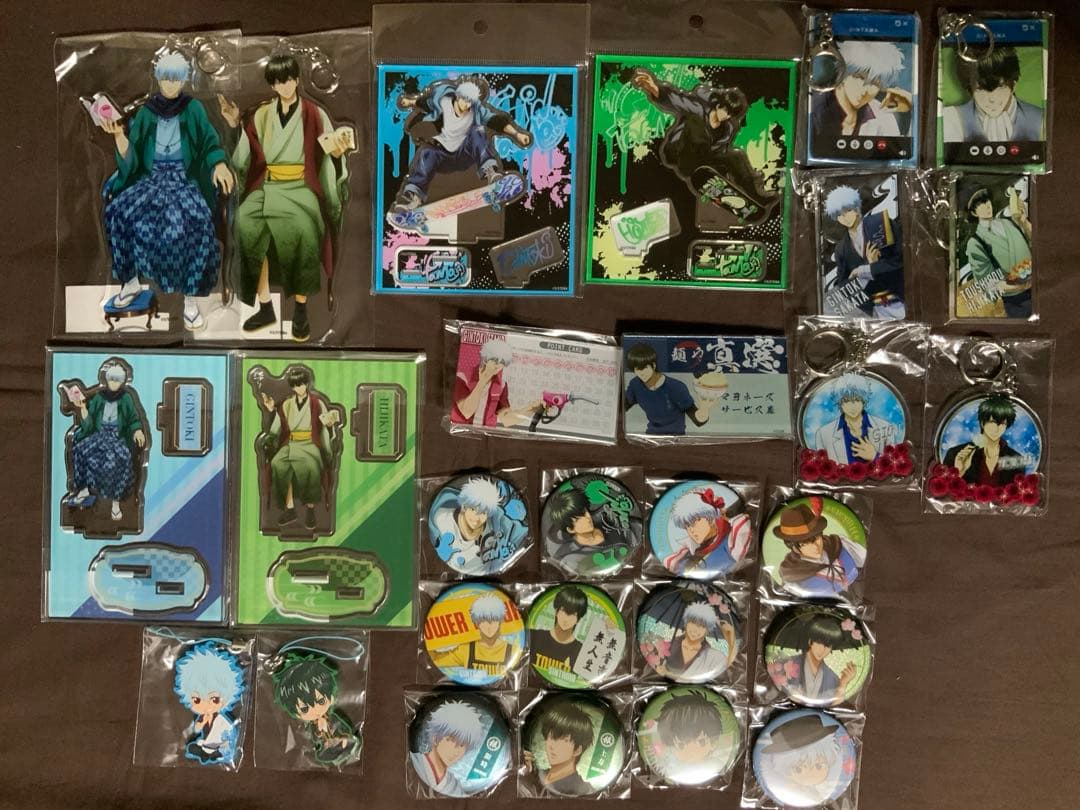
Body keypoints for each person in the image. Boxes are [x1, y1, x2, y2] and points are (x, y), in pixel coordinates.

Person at [219, 54, 352, 342]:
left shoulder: (315, 114)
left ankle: (301, 309)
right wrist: (233, 125)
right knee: (245, 224)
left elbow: (329, 153)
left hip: (299, 188)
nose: (285, 86)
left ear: (297, 80)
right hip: (267, 187)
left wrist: (337, 153)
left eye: (289, 80)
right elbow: (244, 156)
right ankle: (265, 306)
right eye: (279, 82)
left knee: (304, 229)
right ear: (273, 85)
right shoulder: (262, 115)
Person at [101, 50, 234, 331]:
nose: (170, 85)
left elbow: (209, 142)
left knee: (194, 222)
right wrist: (119, 135)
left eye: (175, 79)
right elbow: (133, 158)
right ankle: (131, 282)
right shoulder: (147, 112)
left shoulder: (193, 109)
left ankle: (190, 298)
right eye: (165, 79)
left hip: (184, 179)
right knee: (119, 212)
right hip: (152, 179)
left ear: (183, 81)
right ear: (158, 78)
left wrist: (219, 164)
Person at [631, 68, 775, 220]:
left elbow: (722, 154)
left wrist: (727, 176)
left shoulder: (727, 129)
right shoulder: (698, 109)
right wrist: (655, 88)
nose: (725, 116)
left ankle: (757, 198)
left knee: (736, 156)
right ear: (718, 105)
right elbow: (677, 101)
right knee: (696, 124)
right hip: (681, 155)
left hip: (703, 162)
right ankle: (701, 169)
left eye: (730, 114)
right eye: (725, 110)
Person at [391, 76, 532, 213]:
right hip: (443, 156)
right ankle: (412, 196)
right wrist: (409, 102)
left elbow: (496, 121)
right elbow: (424, 102)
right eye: (465, 101)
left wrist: (517, 134)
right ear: (458, 96)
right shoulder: (442, 101)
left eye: (471, 102)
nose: (468, 106)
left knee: (477, 131)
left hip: (464, 155)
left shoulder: (476, 109)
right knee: (426, 153)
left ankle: (491, 173)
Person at [63, 361, 147, 522]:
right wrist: (82, 408)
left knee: (120, 459)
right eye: (111, 379)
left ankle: (116, 502)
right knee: (81, 450)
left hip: (117, 437)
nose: (114, 383)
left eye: (117, 380)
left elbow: (133, 419)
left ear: (122, 381)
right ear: (107, 380)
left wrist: (137, 430)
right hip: (99, 435)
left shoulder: (126, 398)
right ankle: (85, 489)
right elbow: (89, 424)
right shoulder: (99, 398)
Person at [259, 367, 341, 531]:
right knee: (278, 464)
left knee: (310, 466)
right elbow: (278, 424)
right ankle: (290, 509)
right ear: (292, 387)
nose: (299, 388)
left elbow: (324, 428)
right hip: (291, 444)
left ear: (307, 384)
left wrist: (328, 445)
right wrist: (271, 435)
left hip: (309, 444)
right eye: (296, 385)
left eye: (302, 384)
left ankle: (310, 510)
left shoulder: (317, 403)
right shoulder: (287, 404)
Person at [822, 185, 905, 319]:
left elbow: (901, 260)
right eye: (839, 215)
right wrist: (866, 269)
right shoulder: (841, 249)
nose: (844, 217)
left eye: (848, 211)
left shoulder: (881, 223)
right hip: (874, 310)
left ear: (856, 208)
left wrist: (867, 269)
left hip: (901, 299)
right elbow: (843, 285)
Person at [811, 40, 911, 141]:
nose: (864, 89)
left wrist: (913, 108)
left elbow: (897, 148)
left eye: (874, 84)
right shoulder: (814, 106)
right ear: (843, 74)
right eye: (859, 77)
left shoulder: (882, 115)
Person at [943, 46, 1044, 144]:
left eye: (1000, 87)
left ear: (1013, 85)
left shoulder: (1041, 119)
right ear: (970, 90)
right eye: (980, 89)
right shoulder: (953, 118)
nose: (992, 98)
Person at [272, 654, 360, 766]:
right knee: (325, 752)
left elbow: (343, 727)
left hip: (341, 740)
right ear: (297, 714)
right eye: (304, 709)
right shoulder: (312, 726)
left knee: (345, 743)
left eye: (321, 701)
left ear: (330, 695)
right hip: (327, 747)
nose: (315, 710)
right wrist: (320, 734)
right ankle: (335, 752)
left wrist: (342, 736)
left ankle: (344, 748)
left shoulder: (333, 717)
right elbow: (315, 737)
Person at [960, 184, 1033, 319]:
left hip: (1040, 285)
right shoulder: (975, 243)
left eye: (987, 200)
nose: (987, 205)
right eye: (980, 204)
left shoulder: (1008, 222)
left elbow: (1037, 244)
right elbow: (989, 286)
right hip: (1018, 302)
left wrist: (1024, 222)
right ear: (973, 213)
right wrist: (1021, 286)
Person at [173, 643, 246, 765]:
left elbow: (228, 733)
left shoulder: (223, 719)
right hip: (206, 744)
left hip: (219, 746)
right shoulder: (202, 717)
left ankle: (214, 753)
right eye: (197, 700)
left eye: (214, 699)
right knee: (194, 748)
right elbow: (197, 729)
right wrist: (202, 723)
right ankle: (208, 752)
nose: (206, 706)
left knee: (202, 749)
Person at [773, 502, 865, 596]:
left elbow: (867, 561)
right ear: (793, 547)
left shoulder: (841, 544)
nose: (816, 546)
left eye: (817, 538)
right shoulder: (792, 578)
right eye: (805, 544)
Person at [756, 713, 847, 806]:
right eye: (798, 769)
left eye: (818, 766)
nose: (810, 774)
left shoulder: (826, 789)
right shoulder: (789, 790)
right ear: (785, 769)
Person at [624, 343, 714, 436]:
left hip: (676, 437)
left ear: (653, 365)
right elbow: (623, 405)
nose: (641, 373)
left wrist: (704, 408)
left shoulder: (675, 387)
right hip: (651, 435)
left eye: (645, 368)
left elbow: (697, 421)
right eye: (637, 369)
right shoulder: (635, 385)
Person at [770, 614, 858, 706]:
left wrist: (843, 684)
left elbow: (833, 705)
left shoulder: (832, 677)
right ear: (810, 641)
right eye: (819, 642)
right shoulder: (785, 664)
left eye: (828, 645)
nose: (823, 649)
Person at [812, 374, 899, 464]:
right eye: (846, 401)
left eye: (857, 400)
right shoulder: (823, 434)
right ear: (839, 402)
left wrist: (875, 456)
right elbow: (820, 468)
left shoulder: (886, 427)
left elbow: (895, 464)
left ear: (864, 400)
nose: (852, 406)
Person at [663, 487, 751, 575]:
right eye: (687, 527)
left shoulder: (731, 542)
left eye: (694, 523)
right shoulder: (685, 555)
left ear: (710, 518)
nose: (691, 531)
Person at [943, 395, 1026, 486]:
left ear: (1006, 426)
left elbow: (1020, 490)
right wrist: (959, 473)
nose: (997, 428)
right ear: (982, 423)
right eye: (992, 422)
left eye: (1002, 423)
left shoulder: (1016, 459)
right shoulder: (955, 454)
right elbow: (944, 489)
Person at [410, 700, 488, 797]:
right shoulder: (413, 762)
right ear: (435, 738)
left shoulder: (455, 787)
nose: (456, 751)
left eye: (462, 745)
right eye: (451, 740)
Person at [432, 594, 517, 681]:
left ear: (501, 621)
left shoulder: (513, 651)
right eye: (483, 620)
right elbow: (436, 659)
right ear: (477, 623)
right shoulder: (467, 649)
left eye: (493, 619)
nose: (489, 626)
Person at [431, 477, 507, 571]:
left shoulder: (491, 531)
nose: (477, 518)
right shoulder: (442, 519)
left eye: (483, 513)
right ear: (464, 507)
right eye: (473, 509)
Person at [545, 488, 628, 571]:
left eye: (585, 512)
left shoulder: (605, 518)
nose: (587, 517)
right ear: (570, 529)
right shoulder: (573, 557)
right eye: (578, 519)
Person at [525, 700, 594, 796]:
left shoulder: (584, 789)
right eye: (550, 737)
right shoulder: (535, 772)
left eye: (563, 740)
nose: (552, 745)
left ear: (577, 750)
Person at [656, 603, 736, 681]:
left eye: (702, 626)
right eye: (693, 623)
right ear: (686, 623)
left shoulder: (714, 656)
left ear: (707, 631)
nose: (695, 630)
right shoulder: (667, 646)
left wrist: (731, 643)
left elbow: (725, 672)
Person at [656, 688, 729, 767]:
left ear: (714, 743)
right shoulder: (669, 766)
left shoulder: (715, 765)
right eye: (681, 745)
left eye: (701, 742)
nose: (691, 751)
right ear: (671, 748)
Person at [530, 587, 587, 676]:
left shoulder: (581, 652)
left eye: (573, 614)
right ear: (556, 611)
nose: (566, 619)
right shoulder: (534, 636)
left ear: (578, 619)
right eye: (564, 611)